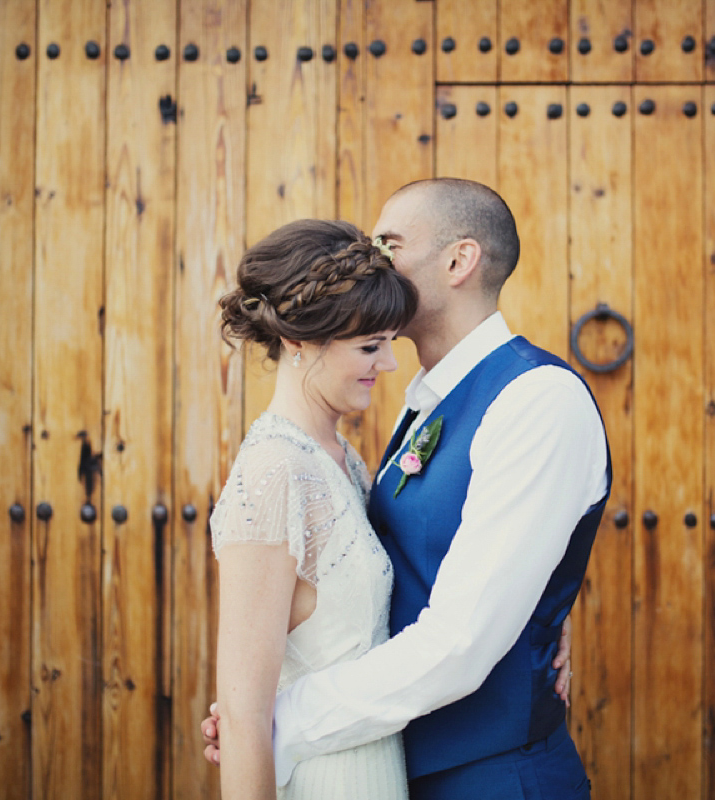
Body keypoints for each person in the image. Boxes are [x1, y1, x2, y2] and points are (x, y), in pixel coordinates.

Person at [206, 179, 611, 800]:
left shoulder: (537, 400)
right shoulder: (419, 404)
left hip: (491, 779)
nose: (370, 260)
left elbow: (461, 642)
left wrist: (278, 719)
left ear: (459, 261)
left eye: (389, 243)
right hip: (382, 767)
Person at [211, 219, 418, 799]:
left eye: (390, 343)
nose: (389, 364)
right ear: (300, 342)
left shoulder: (342, 458)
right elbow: (243, 714)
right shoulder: (275, 473)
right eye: (369, 347)